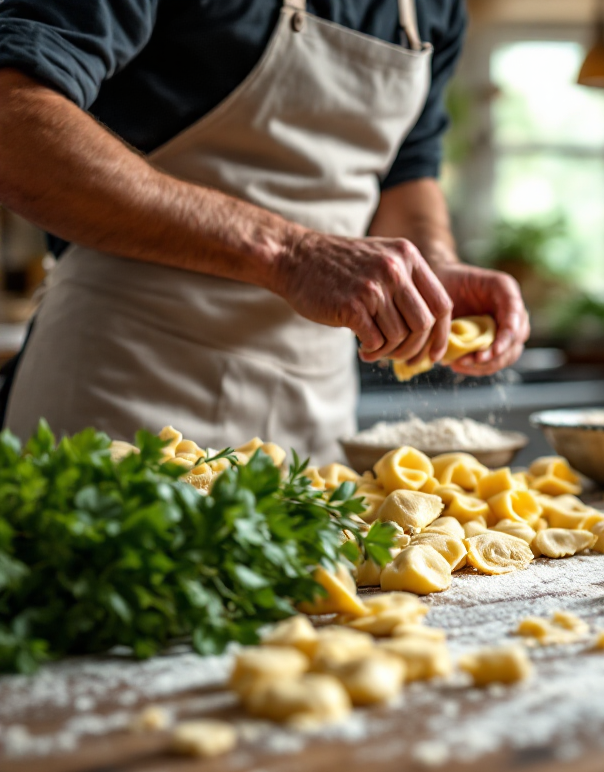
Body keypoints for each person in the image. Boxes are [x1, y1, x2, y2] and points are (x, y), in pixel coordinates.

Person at [0, 0, 529, 461]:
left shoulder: (433, 8)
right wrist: (290, 252)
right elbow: (13, 123)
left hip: (314, 415)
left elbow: (407, 174)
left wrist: (434, 264)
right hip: (122, 391)